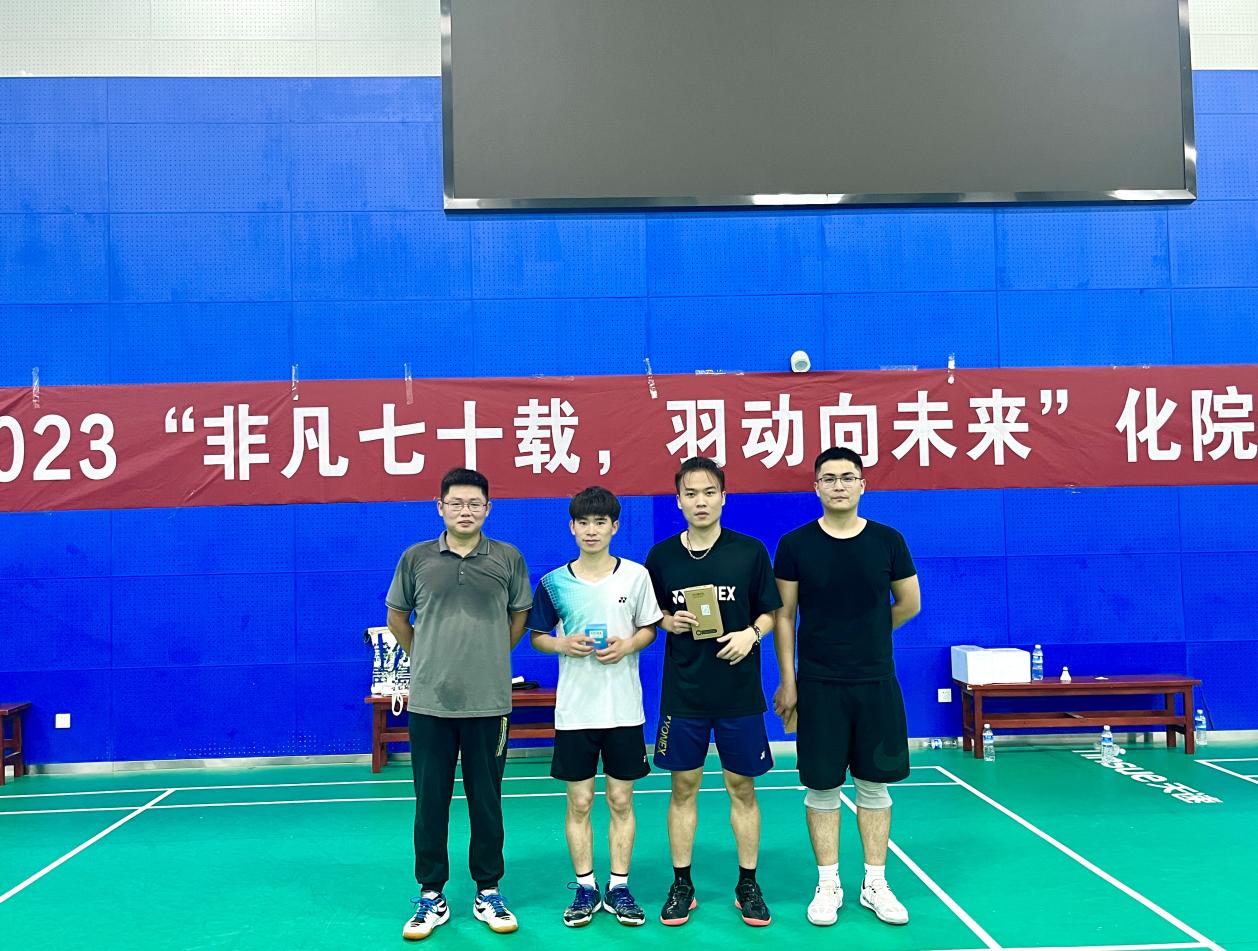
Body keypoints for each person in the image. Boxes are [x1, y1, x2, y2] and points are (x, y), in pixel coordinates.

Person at [772, 446, 921, 929]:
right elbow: (784, 616)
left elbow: (909, 603)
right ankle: (828, 883)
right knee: (822, 786)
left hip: (875, 681)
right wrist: (789, 681)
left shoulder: (888, 540)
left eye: (848, 477)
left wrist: (867, 633)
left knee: (874, 785)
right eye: (829, 478)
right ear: (816, 487)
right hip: (818, 684)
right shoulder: (795, 544)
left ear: (862, 484)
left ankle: (875, 882)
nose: (839, 485)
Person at [385, 467, 533, 941]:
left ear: (487, 509)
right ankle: (431, 894)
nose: (465, 511)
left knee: (486, 802)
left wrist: (488, 657)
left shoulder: (507, 557)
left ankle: (488, 890)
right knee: (430, 802)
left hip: (490, 703)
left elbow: (519, 618)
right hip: (431, 703)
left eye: (474, 503)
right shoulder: (416, 558)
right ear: (440, 507)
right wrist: (428, 657)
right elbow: (398, 618)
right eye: (456, 503)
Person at [644, 456, 782, 927]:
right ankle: (682, 883)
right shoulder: (662, 557)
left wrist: (751, 635)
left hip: (738, 693)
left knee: (742, 787)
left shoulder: (750, 551)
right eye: (691, 493)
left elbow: (770, 612)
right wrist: (668, 621)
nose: (700, 501)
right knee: (683, 788)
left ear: (723, 497)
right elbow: (649, 616)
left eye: (709, 492)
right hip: (684, 693)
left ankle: (748, 884)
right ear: (678, 500)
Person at [526, 486, 663, 928]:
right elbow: (538, 637)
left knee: (621, 799)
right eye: (583, 522)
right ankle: (585, 888)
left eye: (600, 522)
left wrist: (628, 645)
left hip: (623, 709)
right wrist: (562, 644)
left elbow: (650, 628)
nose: (591, 530)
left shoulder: (636, 576)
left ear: (614, 527)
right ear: (572, 527)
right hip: (575, 712)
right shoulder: (553, 582)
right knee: (580, 801)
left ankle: (619, 887)